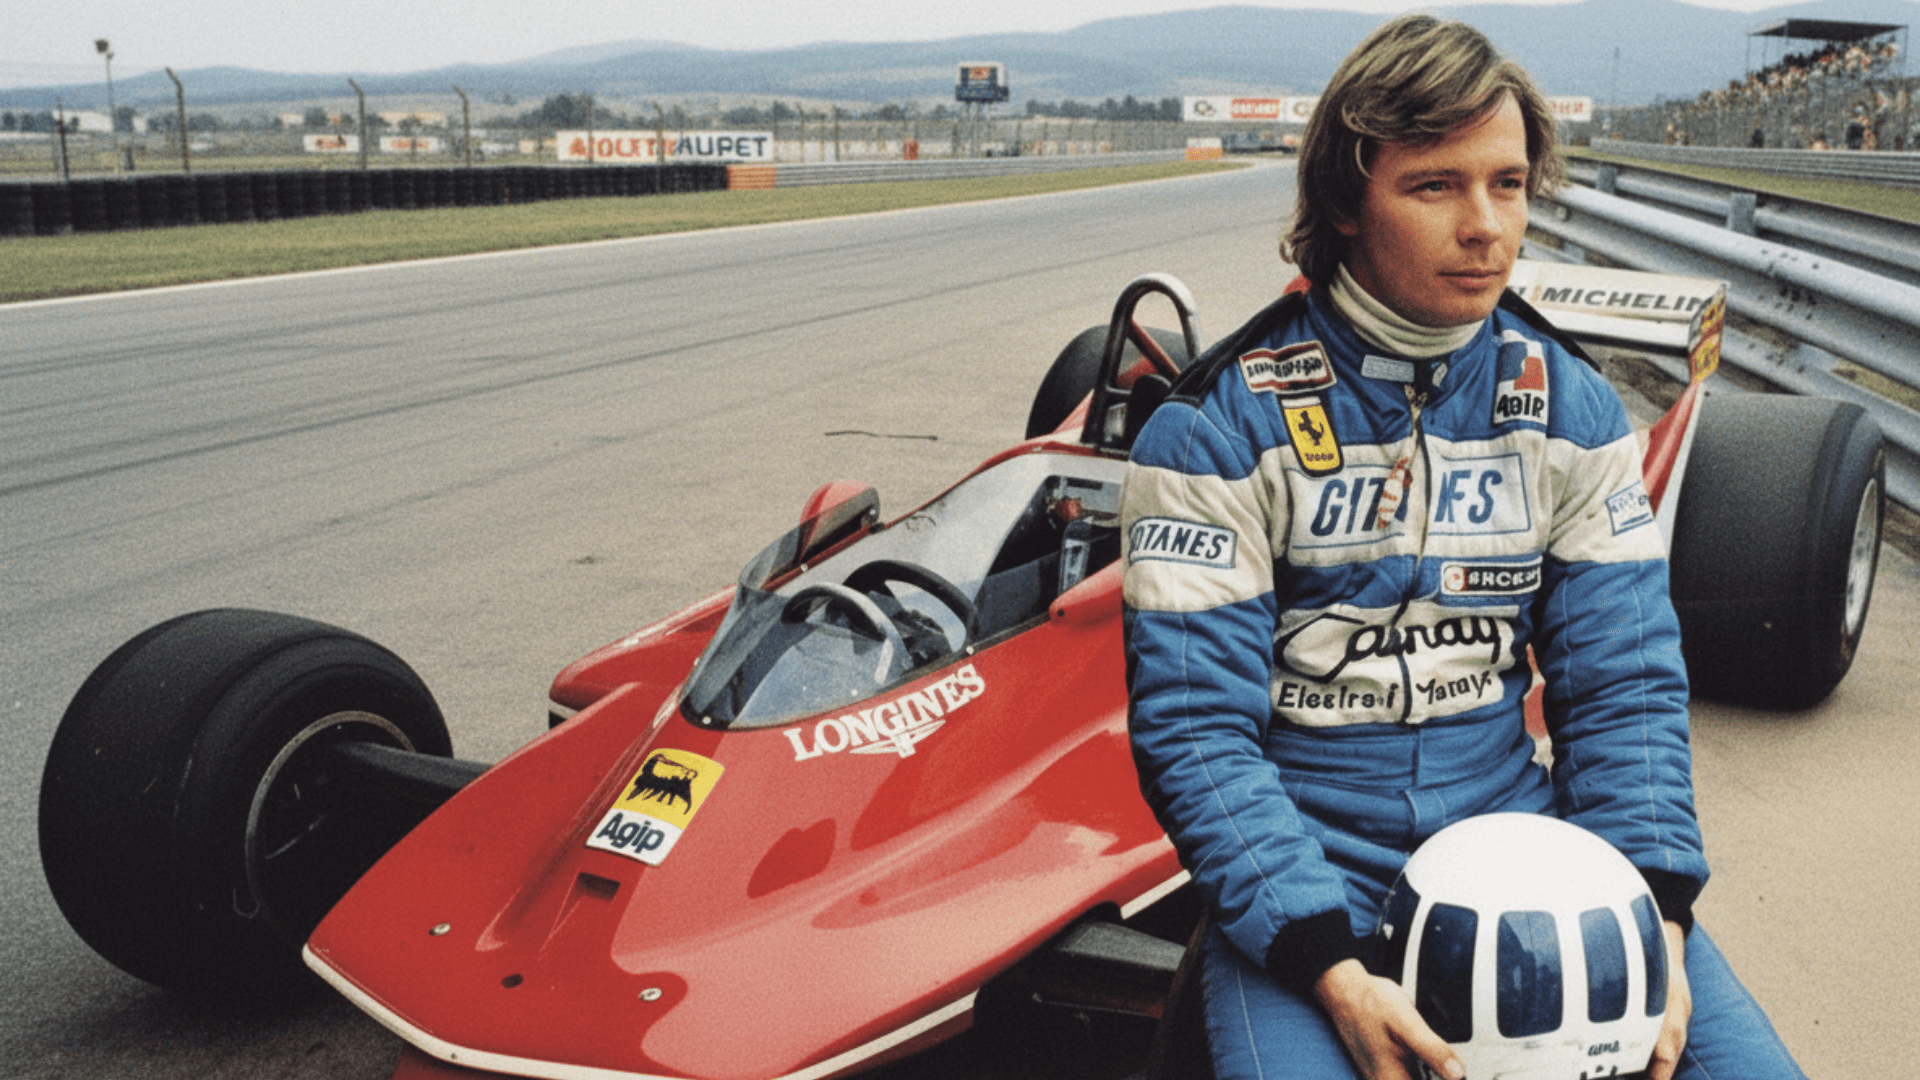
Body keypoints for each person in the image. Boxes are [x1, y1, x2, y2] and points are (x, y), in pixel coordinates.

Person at [1120, 15, 1804, 1080]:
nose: (1486, 226)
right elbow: (1198, 732)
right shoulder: (1215, 424)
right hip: (1316, 878)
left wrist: (1656, 913)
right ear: (1347, 202)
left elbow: (1622, 689)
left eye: (1510, 184)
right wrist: (1329, 970)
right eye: (1436, 185)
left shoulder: (1568, 404)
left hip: (1521, 844)